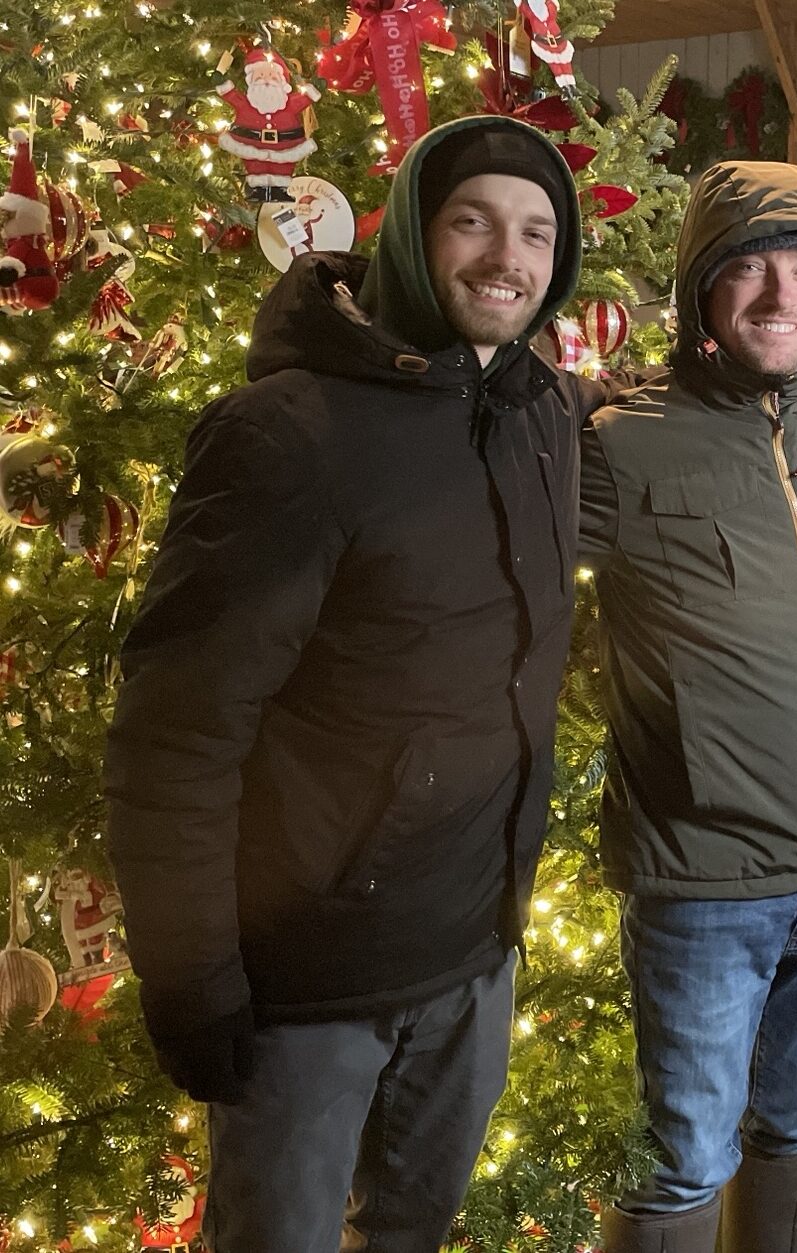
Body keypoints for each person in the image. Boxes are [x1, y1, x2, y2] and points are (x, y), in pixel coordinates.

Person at [104, 115, 594, 1251]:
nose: (506, 257)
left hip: (474, 952)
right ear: (414, 234)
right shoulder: (288, 435)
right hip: (310, 984)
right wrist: (190, 977)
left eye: (536, 233)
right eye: (472, 221)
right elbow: (178, 731)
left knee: (414, 1229)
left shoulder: (537, 413)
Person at [576, 161, 797, 1253]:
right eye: (749, 267)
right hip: (702, 883)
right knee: (682, 1157)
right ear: (701, 293)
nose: (779, 294)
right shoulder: (619, 440)